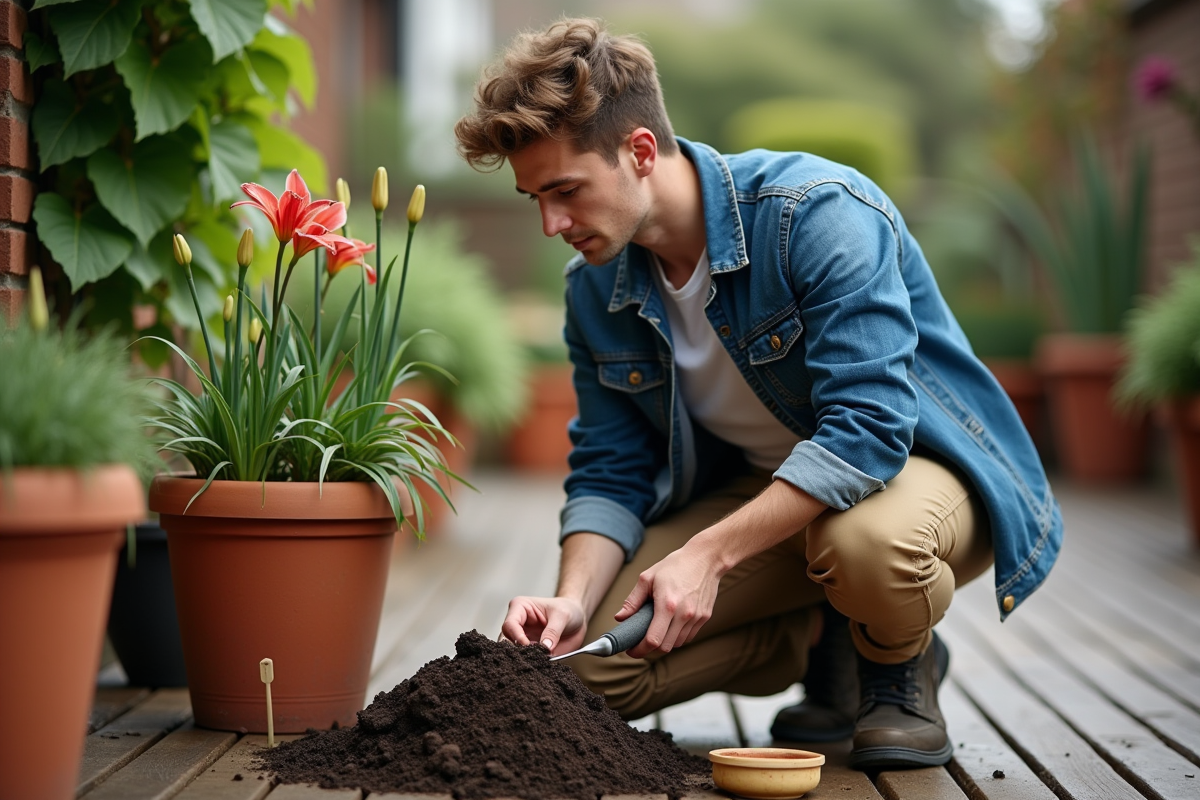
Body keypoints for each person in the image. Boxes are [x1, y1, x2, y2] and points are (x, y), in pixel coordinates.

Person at [454, 18, 1062, 770]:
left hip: (917, 471)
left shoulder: (816, 214)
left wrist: (708, 556)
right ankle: (818, 636)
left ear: (640, 150)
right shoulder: (595, 291)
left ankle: (894, 666)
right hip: (765, 496)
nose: (551, 223)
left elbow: (869, 431)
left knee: (868, 548)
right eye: (534, 199)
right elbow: (609, 468)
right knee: (582, 677)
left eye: (565, 190)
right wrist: (575, 600)